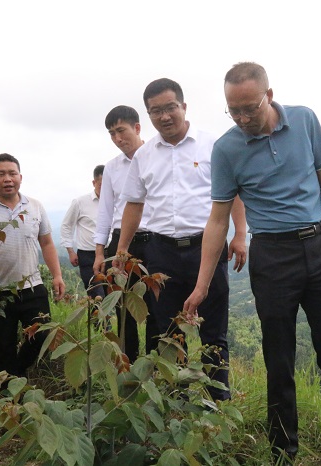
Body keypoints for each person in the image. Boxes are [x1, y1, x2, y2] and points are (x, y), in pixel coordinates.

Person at [183, 62, 321, 465]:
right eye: (234, 111)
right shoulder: (227, 149)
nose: (243, 118)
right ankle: (284, 453)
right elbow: (217, 219)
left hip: (319, 246)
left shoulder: (304, 120)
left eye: (250, 107)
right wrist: (201, 284)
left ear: (269, 94)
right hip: (271, 258)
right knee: (278, 359)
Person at [114, 78, 247, 401]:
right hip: (161, 253)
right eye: (155, 111)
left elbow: (235, 193)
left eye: (170, 107)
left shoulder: (212, 145)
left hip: (207, 250)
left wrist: (241, 234)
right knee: (167, 332)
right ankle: (176, 403)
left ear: (184, 107)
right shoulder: (144, 155)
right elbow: (134, 202)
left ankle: (219, 403)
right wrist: (121, 247)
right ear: (148, 115)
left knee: (213, 331)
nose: (164, 116)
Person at [0, 153, 65, 380]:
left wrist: (57, 275)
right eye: (1, 174)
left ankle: (17, 373)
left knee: (41, 336)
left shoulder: (35, 206)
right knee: (3, 348)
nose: (7, 178)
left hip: (32, 287)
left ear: (20, 177)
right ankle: (9, 402)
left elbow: (47, 242)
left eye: (12, 173)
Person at [92, 105, 157, 363]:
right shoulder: (112, 168)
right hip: (120, 243)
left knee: (156, 307)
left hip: (154, 240)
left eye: (121, 130)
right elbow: (106, 211)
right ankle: (127, 365)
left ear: (137, 128)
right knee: (122, 307)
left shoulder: (156, 156)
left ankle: (154, 366)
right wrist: (100, 251)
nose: (117, 139)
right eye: (111, 133)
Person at [61, 165, 105, 300]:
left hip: (110, 254)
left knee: (112, 296)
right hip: (87, 255)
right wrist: (70, 251)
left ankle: (107, 321)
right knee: (97, 296)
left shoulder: (117, 202)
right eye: (101, 184)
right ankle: (99, 321)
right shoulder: (80, 202)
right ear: (94, 183)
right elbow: (67, 226)